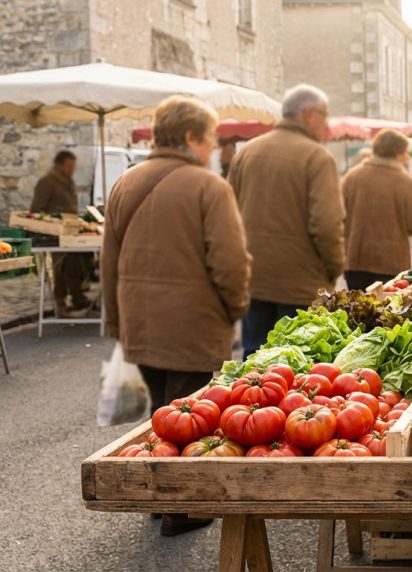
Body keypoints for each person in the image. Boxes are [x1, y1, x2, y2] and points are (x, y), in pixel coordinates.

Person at [102, 95, 251, 537]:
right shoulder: (209, 186)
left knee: (160, 410)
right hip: (192, 320)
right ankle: (180, 508)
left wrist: (115, 318)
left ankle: (159, 493)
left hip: (139, 318)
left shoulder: (126, 181)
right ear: (190, 137)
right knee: (190, 412)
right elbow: (229, 263)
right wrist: (236, 306)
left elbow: (108, 259)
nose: (212, 146)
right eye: (210, 138)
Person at [229, 84, 345, 357]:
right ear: (308, 114)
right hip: (301, 284)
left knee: (253, 365)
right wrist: (334, 269)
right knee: (297, 366)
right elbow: (327, 225)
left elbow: (228, 216)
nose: (326, 124)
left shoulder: (246, 153)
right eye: (324, 115)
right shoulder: (317, 157)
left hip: (254, 279)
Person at [342, 129, 412, 291]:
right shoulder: (405, 181)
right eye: (405, 152)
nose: (407, 157)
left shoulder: (352, 177)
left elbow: (337, 216)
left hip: (355, 261)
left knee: (356, 312)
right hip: (391, 263)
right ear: (398, 153)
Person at [31, 150, 92, 317]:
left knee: (78, 262)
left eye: (73, 166)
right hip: (55, 233)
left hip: (71, 232)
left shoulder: (68, 182)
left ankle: (78, 295)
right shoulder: (47, 182)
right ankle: (60, 302)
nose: (72, 169)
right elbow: (36, 210)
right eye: (69, 166)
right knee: (60, 268)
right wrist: (54, 221)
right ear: (58, 165)